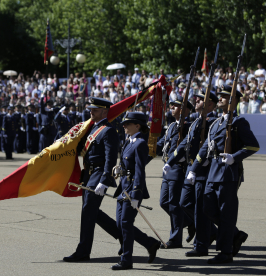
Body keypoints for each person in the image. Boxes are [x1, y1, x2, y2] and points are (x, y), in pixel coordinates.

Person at [186, 85, 260, 264]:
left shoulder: (238, 122)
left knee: (226, 214)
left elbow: (253, 145)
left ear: (233, 101)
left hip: (228, 173)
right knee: (207, 209)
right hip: (212, 172)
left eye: (224, 97)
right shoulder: (216, 122)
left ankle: (225, 252)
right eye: (219, 96)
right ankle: (234, 235)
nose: (219, 98)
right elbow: (205, 148)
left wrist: (234, 157)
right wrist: (193, 169)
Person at [63, 97, 120, 262]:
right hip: (88, 174)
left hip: (99, 174)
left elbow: (110, 159)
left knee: (88, 211)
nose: (91, 112)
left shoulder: (108, 130)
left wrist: (105, 179)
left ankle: (83, 251)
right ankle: (126, 236)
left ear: (104, 111)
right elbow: (81, 148)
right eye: (90, 109)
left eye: (94, 109)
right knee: (91, 213)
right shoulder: (90, 128)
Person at [163, 91, 219, 257]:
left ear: (210, 105)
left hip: (203, 169)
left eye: (201, 99)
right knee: (185, 203)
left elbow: (210, 145)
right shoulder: (197, 122)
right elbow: (184, 145)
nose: (197, 100)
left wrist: (198, 165)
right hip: (191, 168)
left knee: (202, 209)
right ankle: (210, 232)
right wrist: (170, 161)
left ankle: (208, 241)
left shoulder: (213, 122)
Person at [111, 112, 153, 270]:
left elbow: (140, 171)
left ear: (137, 126)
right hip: (124, 188)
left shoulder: (140, 143)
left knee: (126, 223)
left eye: (128, 123)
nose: (124, 126)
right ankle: (150, 243)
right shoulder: (129, 141)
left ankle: (126, 259)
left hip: (133, 189)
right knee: (120, 224)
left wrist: (136, 193)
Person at [157, 96, 194, 249]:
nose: (171, 106)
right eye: (171, 105)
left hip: (178, 168)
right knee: (164, 202)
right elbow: (162, 144)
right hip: (167, 168)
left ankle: (175, 239)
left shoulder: (188, 127)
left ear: (186, 110)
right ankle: (190, 223)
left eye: (176, 105)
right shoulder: (172, 126)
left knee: (173, 204)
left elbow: (184, 147)